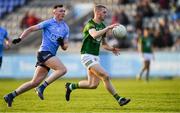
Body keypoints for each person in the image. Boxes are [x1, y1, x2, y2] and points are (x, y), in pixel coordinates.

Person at [4, 4, 69, 107]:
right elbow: (30, 29)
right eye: (60, 11)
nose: (63, 13)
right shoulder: (48, 23)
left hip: (49, 55)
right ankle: (42, 88)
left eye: (64, 11)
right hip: (44, 52)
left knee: (34, 82)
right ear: (54, 12)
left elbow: (65, 47)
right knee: (62, 70)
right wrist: (20, 38)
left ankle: (11, 95)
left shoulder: (66, 27)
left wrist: (62, 43)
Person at [65, 5, 130, 106]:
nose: (106, 14)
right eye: (104, 12)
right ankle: (119, 99)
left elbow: (104, 45)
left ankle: (70, 86)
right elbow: (94, 35)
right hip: (87, 56)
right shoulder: (90, 24)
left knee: (92, 85)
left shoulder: (103, 26)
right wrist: (108, 28)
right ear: (98, 13)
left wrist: (112, 49)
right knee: (106, 76)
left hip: (95, 57)